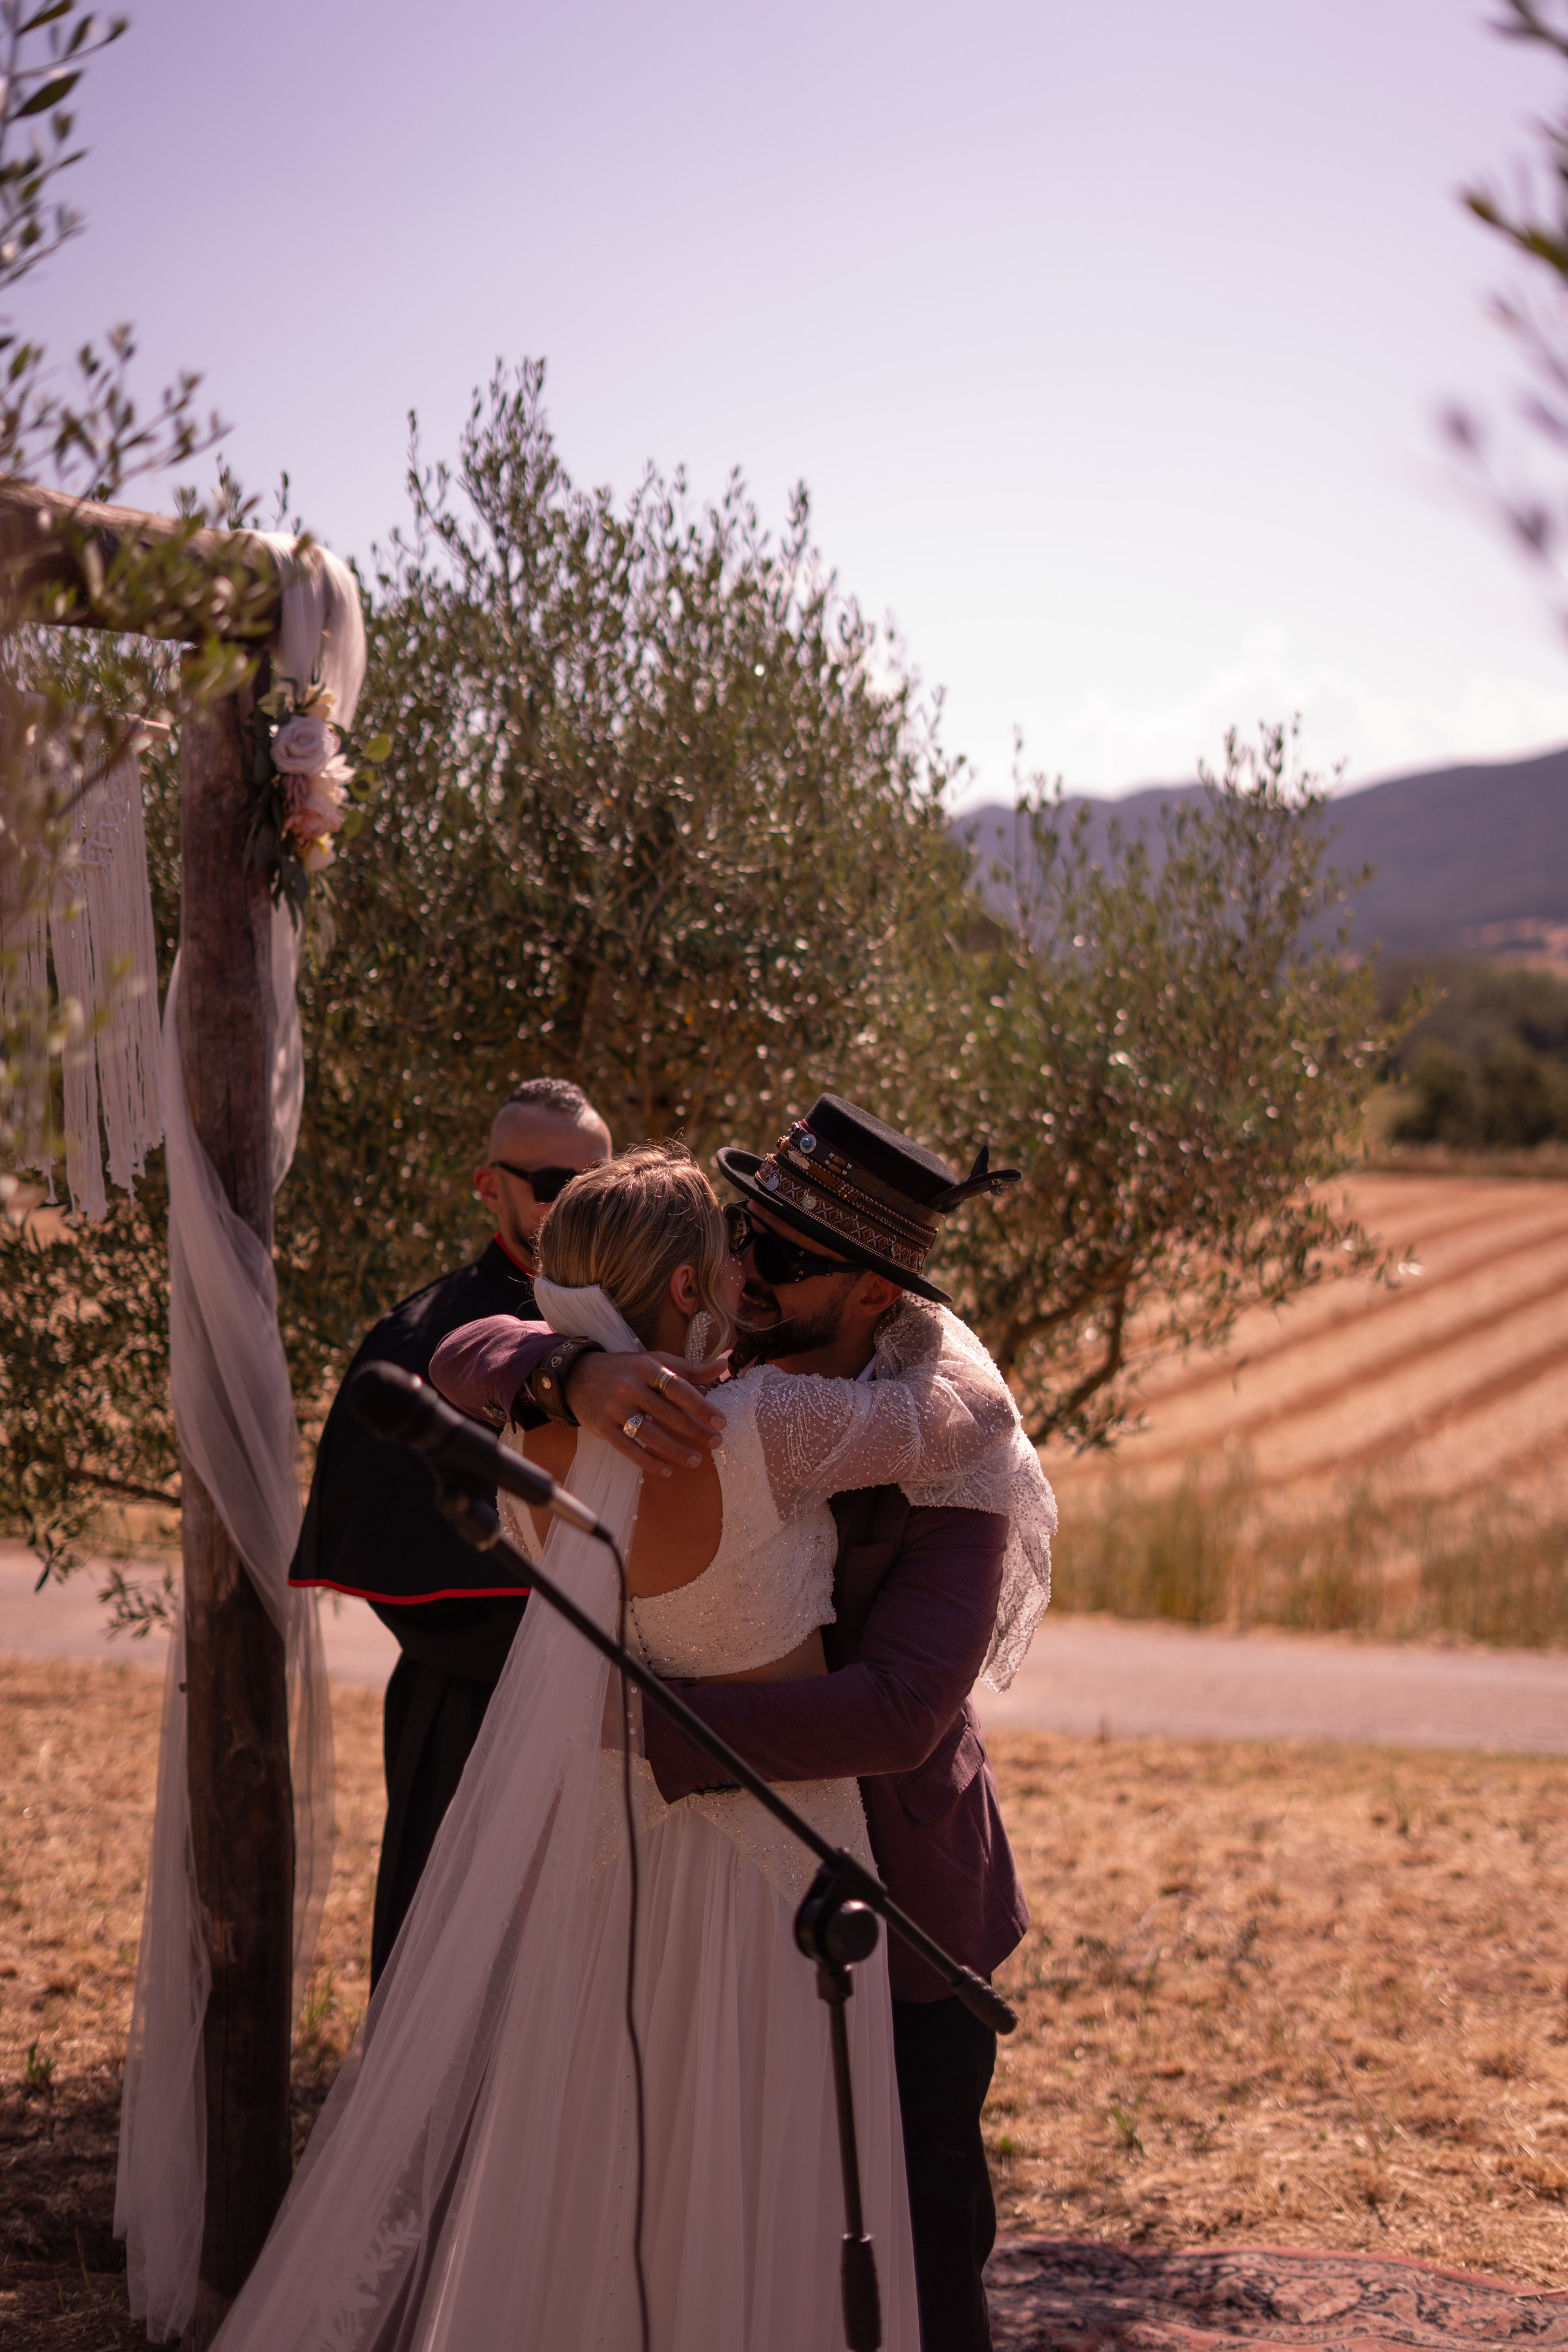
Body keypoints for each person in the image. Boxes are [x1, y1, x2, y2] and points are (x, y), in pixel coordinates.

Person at [213, 1142, 1047, 2352]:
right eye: (743, 1233)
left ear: (880, 1293)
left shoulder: (928, 1432)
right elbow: (461, 1349)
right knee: (661, 2193)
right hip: (687, 1873)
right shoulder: (717, 1378)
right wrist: (566, 1365)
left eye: (784, 1256)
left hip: (888, 1901)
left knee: (913, 2242)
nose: (748, 1269)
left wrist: (627, 1732)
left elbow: (900, 1709)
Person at [288, 1074, 611, 1980]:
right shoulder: (419, 1337)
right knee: (460, 1975)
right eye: (554, 1186)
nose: (576, 1204)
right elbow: (412, 1569)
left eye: (598, 1182)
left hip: (636, 1713)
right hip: (472, 1711)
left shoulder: (662, 1320)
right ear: (490, 1188)